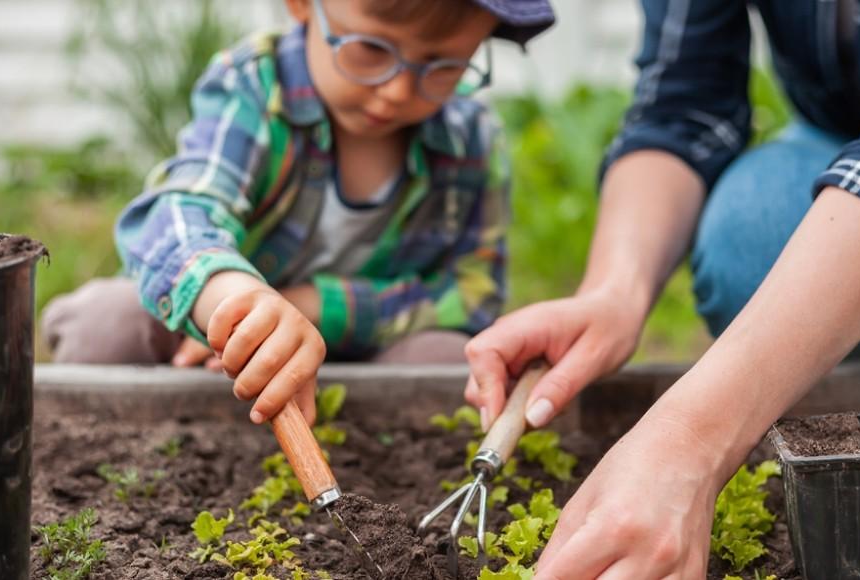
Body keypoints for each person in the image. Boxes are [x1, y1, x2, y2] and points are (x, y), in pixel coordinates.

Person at [465, 0, 860, 576]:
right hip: (839, 136)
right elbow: (684, 104)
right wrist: (614, 290)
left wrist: (690, 440)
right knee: (750, 241)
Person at [42, 0, 554, 424]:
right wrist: (235, 304)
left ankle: (354, 449)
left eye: (444, 67)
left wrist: (312, 306)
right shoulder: (255, 87)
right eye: (372, 49)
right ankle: (161, 436)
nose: (398, 90)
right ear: (304, 5)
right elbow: (178, 210)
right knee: (103, 324)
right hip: (209, 333)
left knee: (447, 362)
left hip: (364, 350)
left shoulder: (472, 137)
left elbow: (473, 293)